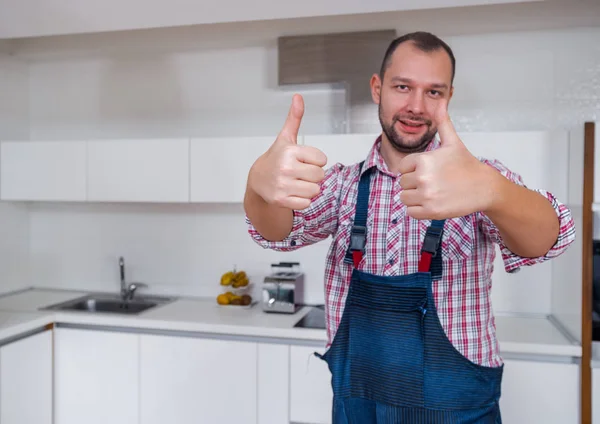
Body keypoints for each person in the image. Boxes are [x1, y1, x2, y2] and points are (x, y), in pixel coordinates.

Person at [243, 31, 576, 423]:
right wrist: (258, 187)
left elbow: (546, 241)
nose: (416, 106)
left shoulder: (481, 181)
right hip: (358, 407)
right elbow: (274, 231)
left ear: (449, 97)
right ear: (377, 88)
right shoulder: (342, 186)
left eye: (433, 92)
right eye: (403, 87)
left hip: (458, 409)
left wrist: (495, 191)